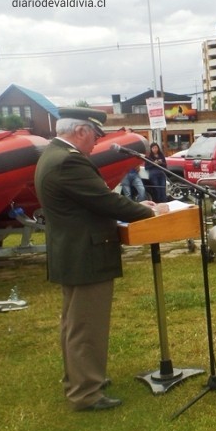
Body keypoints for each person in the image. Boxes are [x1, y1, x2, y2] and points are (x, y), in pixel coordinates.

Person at [34, 107, 168, 412]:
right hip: (85, 253)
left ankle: (81, 378)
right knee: (86, 326)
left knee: (74, 323)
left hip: (72, 251)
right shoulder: (69, 161)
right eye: (95, 136)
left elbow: (93, 199)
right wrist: (150, 211)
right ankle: (86, 392)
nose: (96, 143)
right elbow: (104, 200)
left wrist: (136, 204)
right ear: (80, 131)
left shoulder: (52, 155)